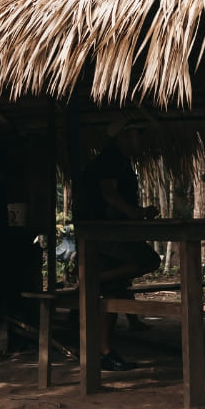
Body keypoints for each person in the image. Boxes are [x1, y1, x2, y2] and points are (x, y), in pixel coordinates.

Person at [75, 120, 162, 372]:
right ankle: (93, 278)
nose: (139, 141)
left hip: (109, 233)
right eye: (136, 135)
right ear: (122, 137)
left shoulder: (119, 161)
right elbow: (109, 194)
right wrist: (134, 213)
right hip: (104, 235)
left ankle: (105, 352)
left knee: (113, 291)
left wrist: (136, 213)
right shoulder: (110, 160)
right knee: (149, 261)